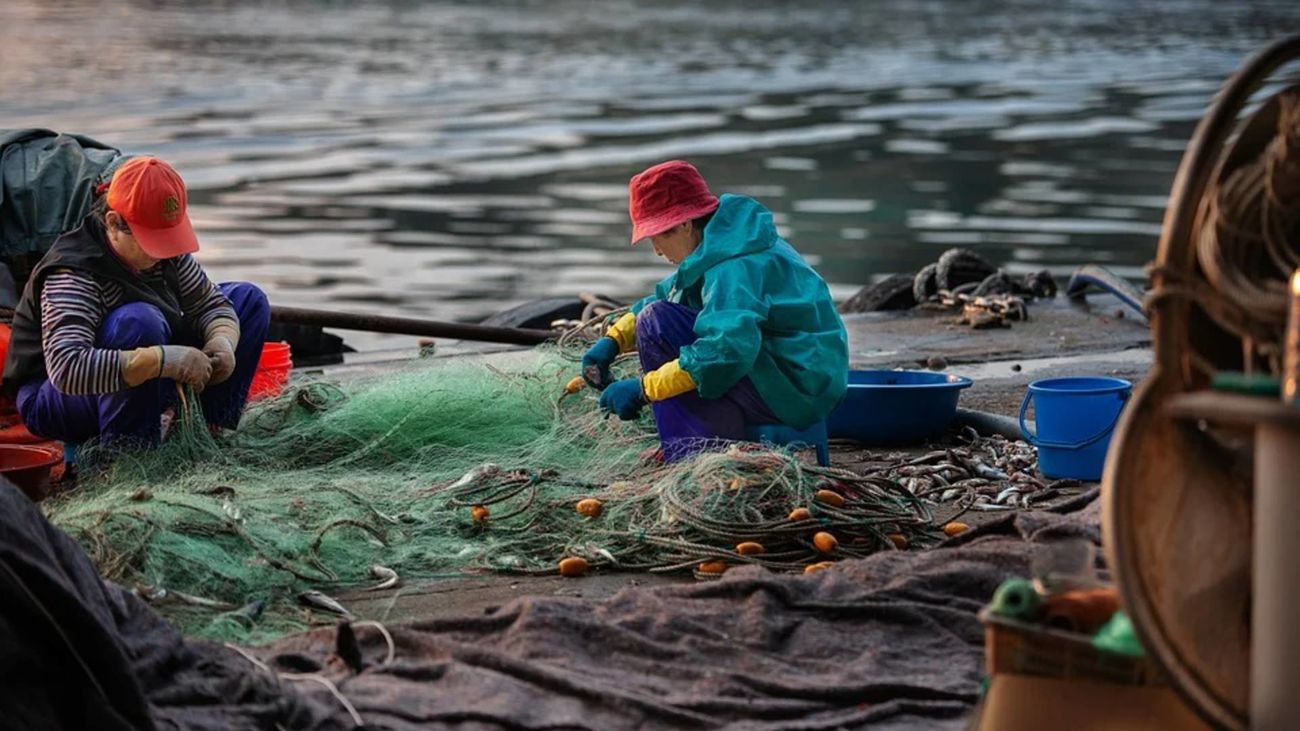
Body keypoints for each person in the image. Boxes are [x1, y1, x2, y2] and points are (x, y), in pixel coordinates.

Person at [582, 160, 848, 461]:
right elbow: (672, 294)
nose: (656, 250)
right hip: (797, 372)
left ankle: (697, 455)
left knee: (656, 324)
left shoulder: (734, 267)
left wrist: (644, 389)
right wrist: (613, 341)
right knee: (658, 316)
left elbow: (724, 353)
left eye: (658, 237)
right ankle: (698, 439)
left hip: (797, 389)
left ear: (683, 224)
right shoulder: (728, 241)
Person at [2, 156, 270, 449]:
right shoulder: (73, 273)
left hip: (141, 371)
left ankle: (207, 432)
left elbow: (210, 304)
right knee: (139, 321)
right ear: (114, 223)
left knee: (248, 300)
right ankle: (130, 454)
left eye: (168, 238)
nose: (162, 253)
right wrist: (163, 361)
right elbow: (68, 369)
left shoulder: (168, 253)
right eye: (151, 241)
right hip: (55, 396)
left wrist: (222, 341)